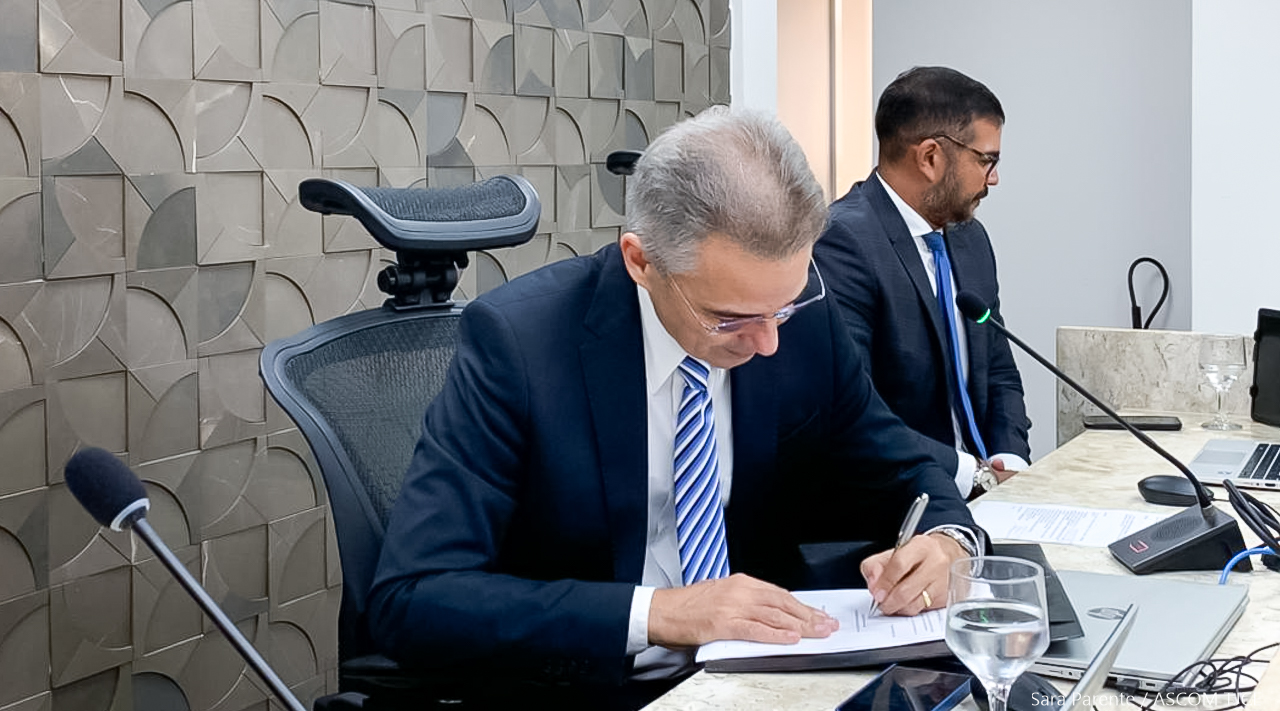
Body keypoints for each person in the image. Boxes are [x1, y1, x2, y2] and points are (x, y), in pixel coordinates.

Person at [368, 106, 984, 709]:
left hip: (760, 680)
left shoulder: (797, 318)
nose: (768, 342)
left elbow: (903, 464)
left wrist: (950, 542)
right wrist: (658, 614)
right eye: (730, 318)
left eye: (783, 306)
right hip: (590, 686)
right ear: (641, 261)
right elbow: (414, 598)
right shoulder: (520, 345)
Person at [815, 66, 1032, 501]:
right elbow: (857, 414)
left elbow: (999, 371)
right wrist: (975, 476)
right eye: (986, 160)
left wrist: (1010, 460)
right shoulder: (842, 242)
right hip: (902, 504)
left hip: (989, 493)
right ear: (931, 157)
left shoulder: (970, 238)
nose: (993, 178)